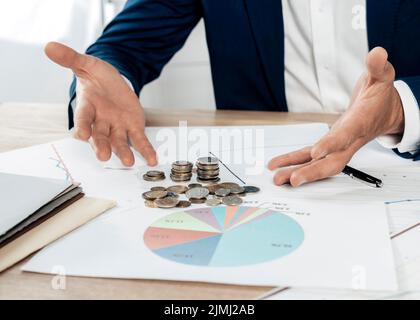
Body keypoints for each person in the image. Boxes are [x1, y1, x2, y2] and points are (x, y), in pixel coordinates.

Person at [45, 0, 420, 186]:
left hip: (403, 165)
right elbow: (126, 47)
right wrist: (109, 79)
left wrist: (400, 109)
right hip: (269, 179)